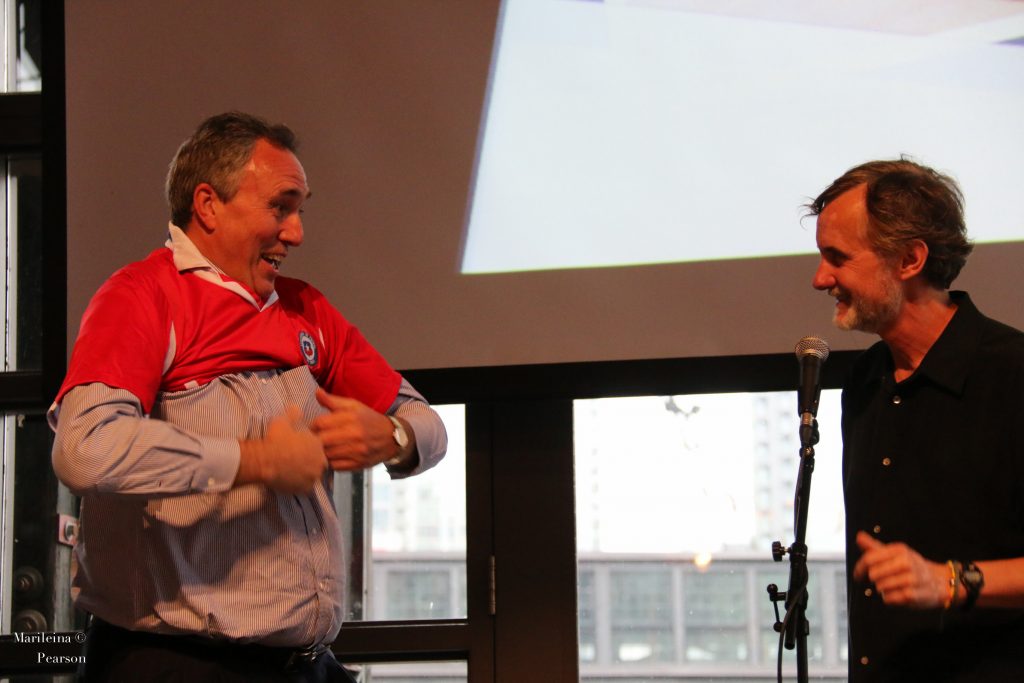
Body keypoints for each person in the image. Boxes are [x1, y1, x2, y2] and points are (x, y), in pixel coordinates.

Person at [49, 111, 448, 682]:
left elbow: (428, 424)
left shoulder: (306, 310)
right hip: (176, 667)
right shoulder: (142, 297)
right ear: (208, 205)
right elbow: (85, 448)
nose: (296, 232)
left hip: (305, 666)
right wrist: (254, 461)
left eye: (300, 210)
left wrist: (394, 436)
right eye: (280, 208)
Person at [808, 158, 1024, 681]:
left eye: (838, 257)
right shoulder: (864, 380)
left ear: (909, 259)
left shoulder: (1012, 374)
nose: (820, 279)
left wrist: (949, 581)